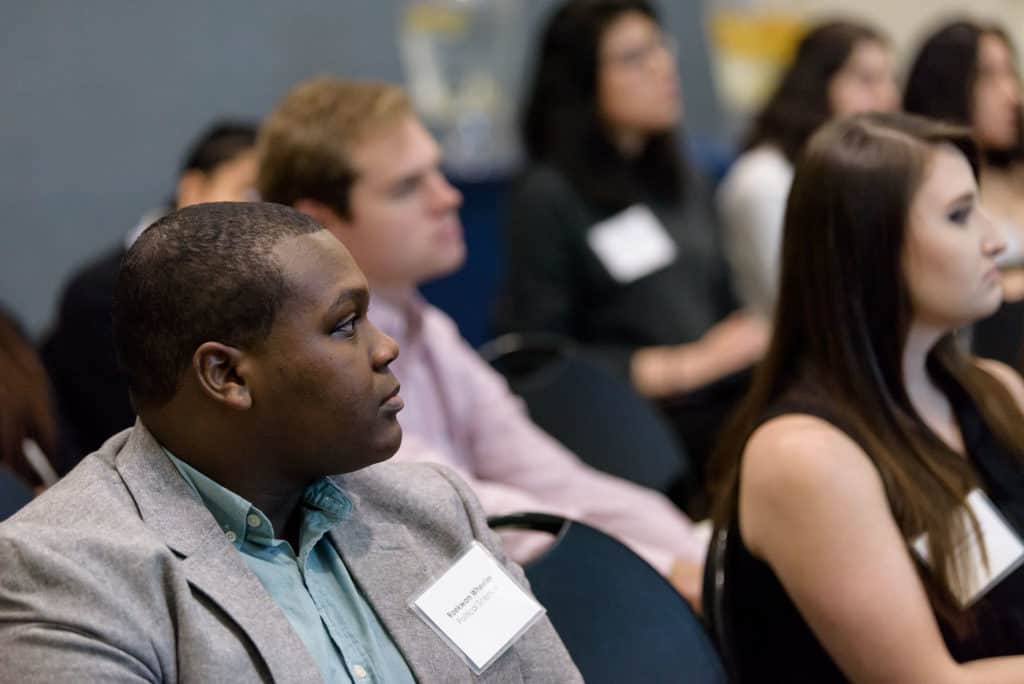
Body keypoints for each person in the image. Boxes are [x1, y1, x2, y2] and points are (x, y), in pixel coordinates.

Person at [0, 202, 581, 683]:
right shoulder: (63, 570)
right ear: (227, 377)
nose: (384, 349)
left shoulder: (435, 508)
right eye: (345, 325)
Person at [257, 76, 707, 603]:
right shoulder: (322, 367)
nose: (448, 198)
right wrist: (666, 571)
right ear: (320, 221)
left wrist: (697, 557)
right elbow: (460, 510)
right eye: (408, 187)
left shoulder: (430, 326)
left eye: (437, 173)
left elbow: (556, 480)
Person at [708, 112, 1024, 682]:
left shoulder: (994, 390)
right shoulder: (805, 458)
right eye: (958, 216)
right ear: (870, 247)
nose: (995, 239)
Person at [493, 0, 769, 474]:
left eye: (660, 48)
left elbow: (724, 305)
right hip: (635, 430)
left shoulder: (683, 175)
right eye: (633, 58)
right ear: (580, 81)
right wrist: (682, 366)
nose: (662, 66)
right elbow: (539, 361)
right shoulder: (549, 195)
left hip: (723, 401)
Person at [41, 120, 258, 458]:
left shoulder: (261, 289)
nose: (265, 214)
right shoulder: (99, 295)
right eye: (251, 194)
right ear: (193, 188)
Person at [717, 20, 898, 315]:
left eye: (891, 79)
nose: (889, 97)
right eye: (867, 80)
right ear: (818, 85)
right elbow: (801, 303)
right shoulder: (763, 180)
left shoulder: (869, 170)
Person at [904, 19, 1024, 369]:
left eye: (1010, 73)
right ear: (949, 84)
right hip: (977, 352)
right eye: (988, 77)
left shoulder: (1015, 171)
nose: (1012, 96)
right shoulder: (925, 181)